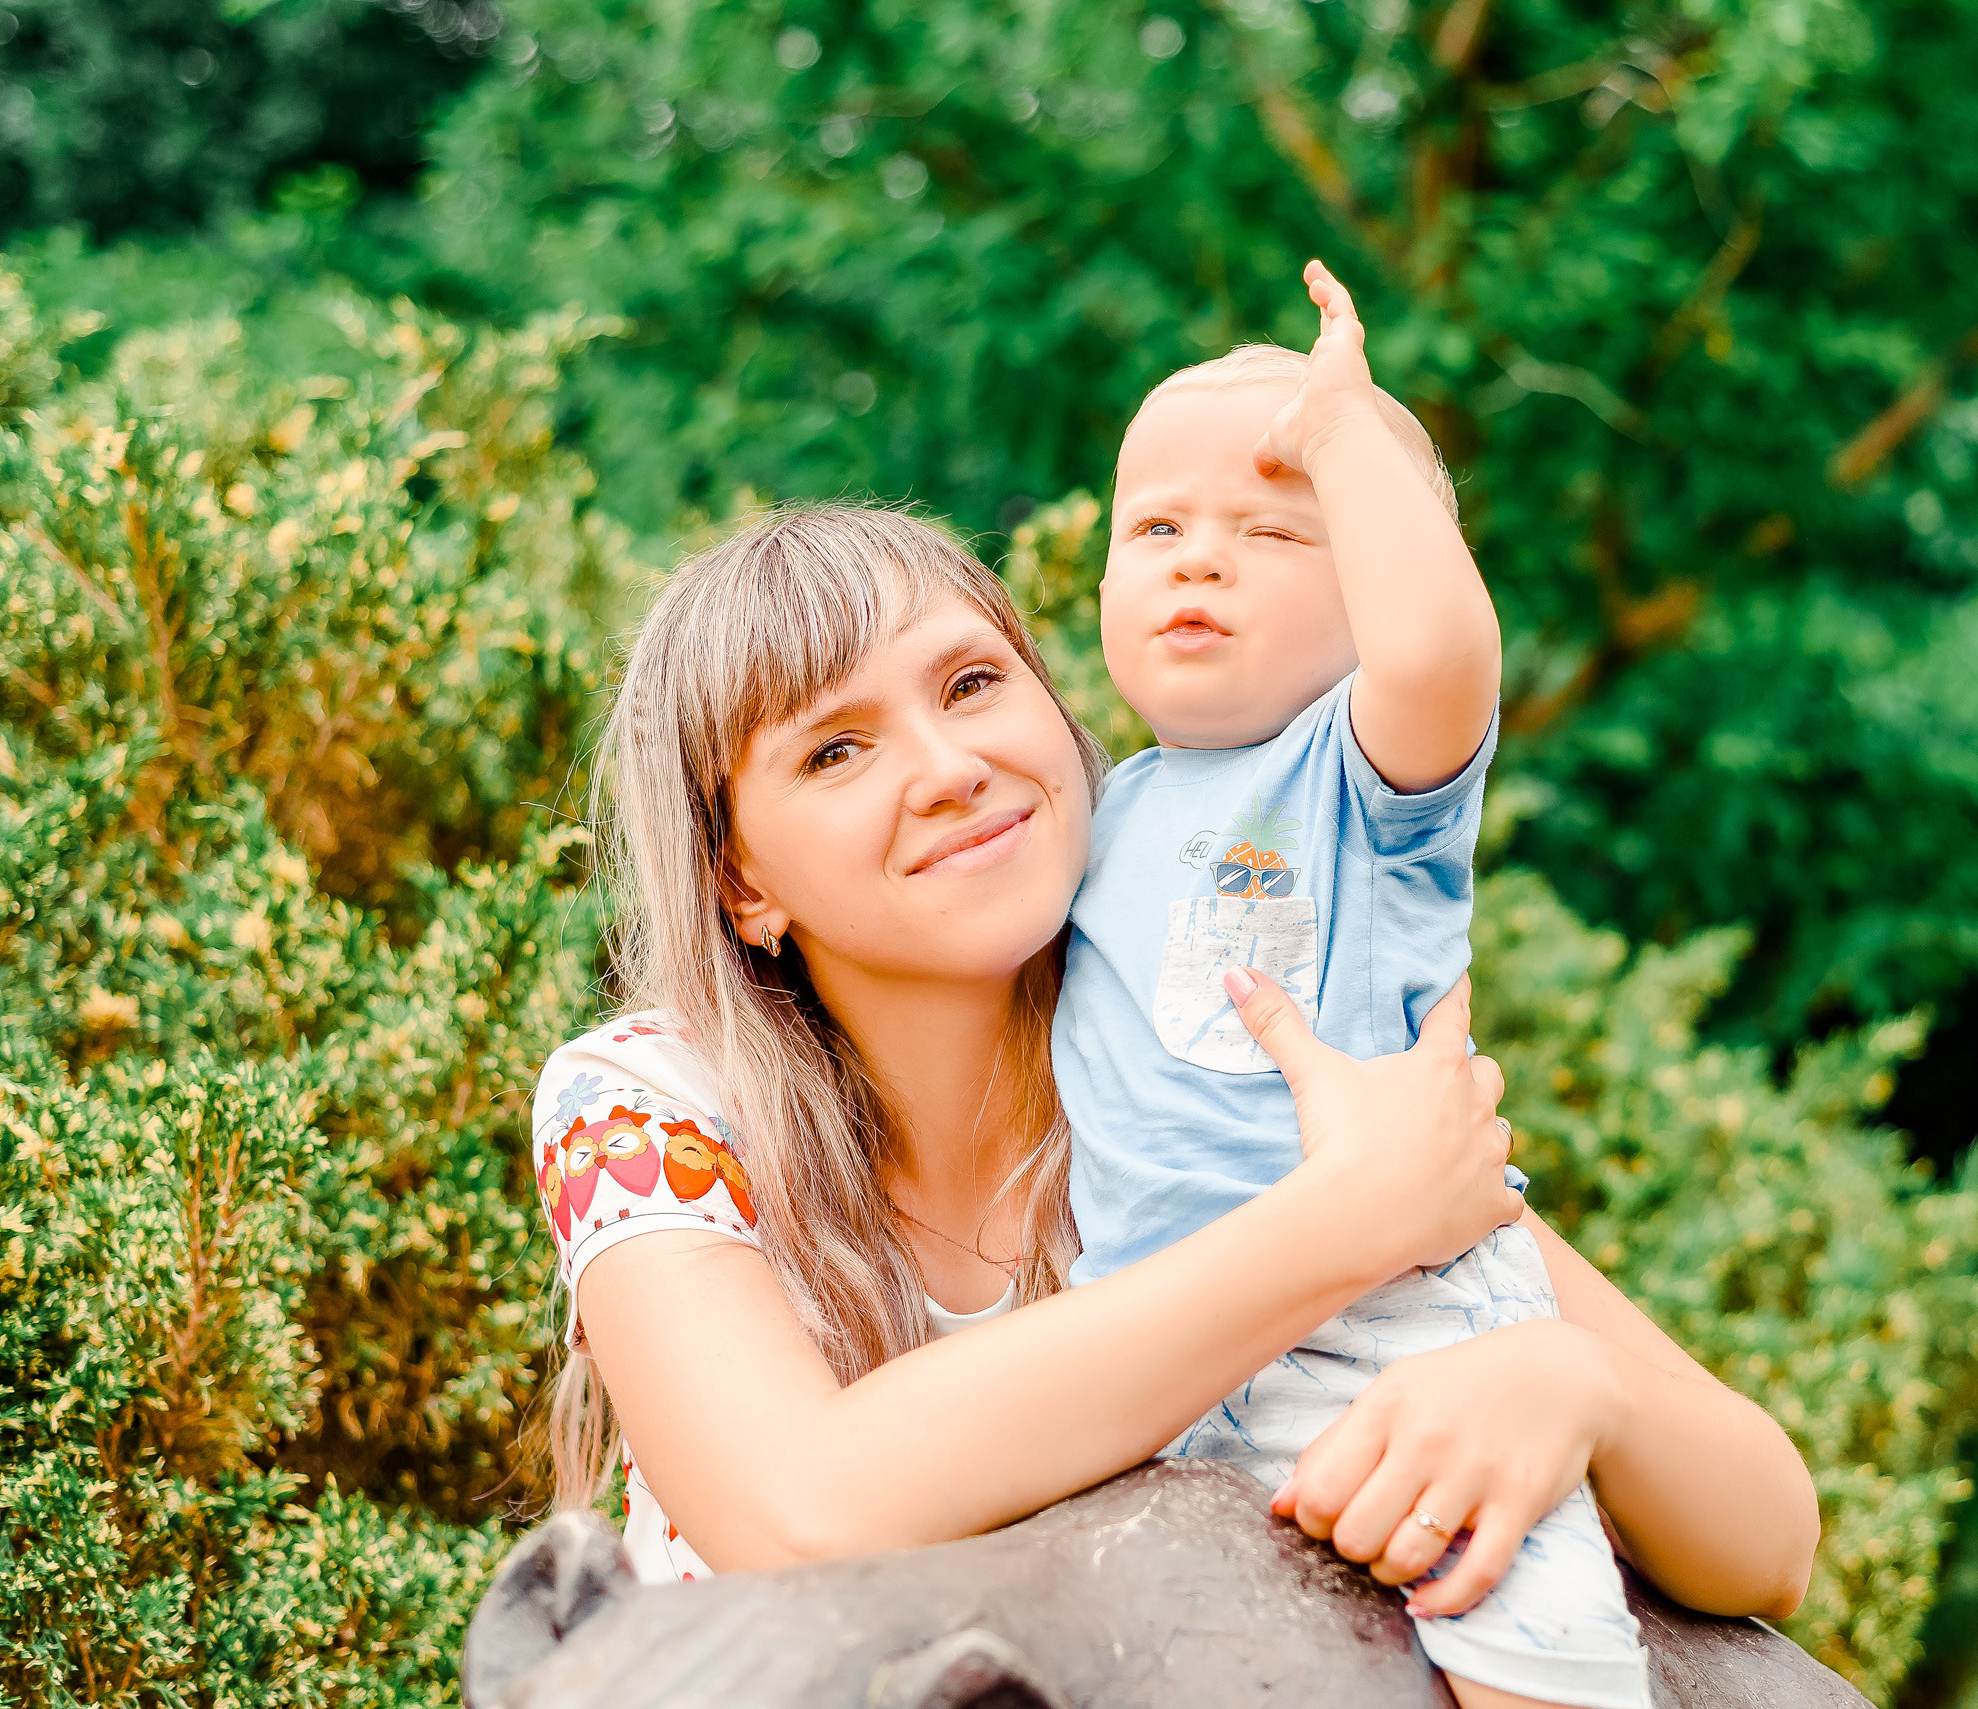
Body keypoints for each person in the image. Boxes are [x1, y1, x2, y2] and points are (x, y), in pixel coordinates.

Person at [531, 504, 1819, 1693]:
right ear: (741, 882)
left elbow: (1770, 1543)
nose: (948, 766)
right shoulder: (647, 1104)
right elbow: (795, 1509)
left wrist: (1564, 1386)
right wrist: (1345, 1221)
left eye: (973, 684)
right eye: (835, 749)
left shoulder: (1239, 1051)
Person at [1056, 261, 1638, 1708]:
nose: (1201, 558)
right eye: (1159, 528)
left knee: (1519, 1639)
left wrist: (1346, 437)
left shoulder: (1362, 776)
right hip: (1158, 1341)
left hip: (1392, 1329)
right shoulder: (1095, 811)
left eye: (1272, 527)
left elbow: (1442, 645)